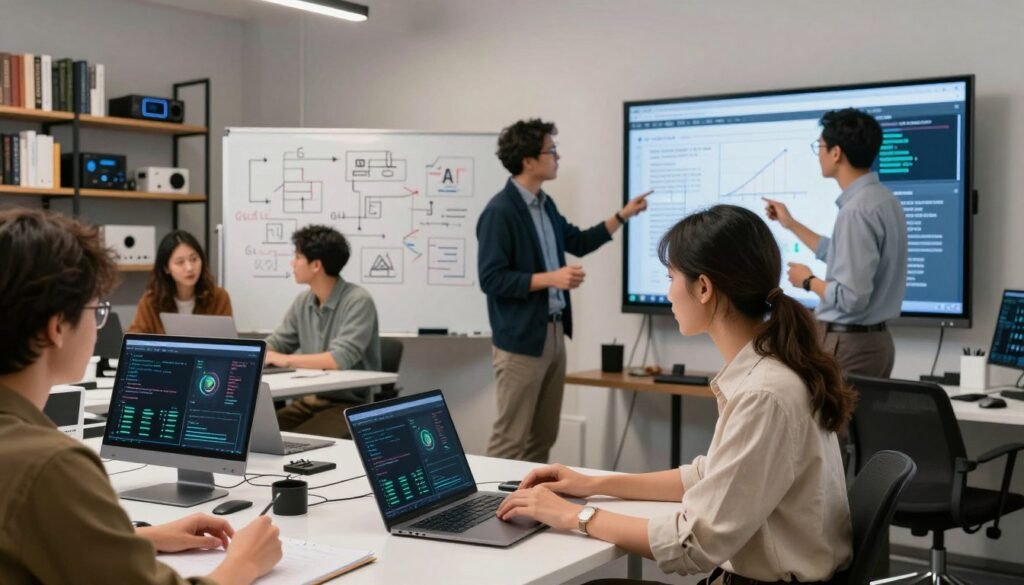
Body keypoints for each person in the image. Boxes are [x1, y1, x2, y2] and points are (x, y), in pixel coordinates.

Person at [496, 205, 855, 585]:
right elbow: (708, 475)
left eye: (671, 278)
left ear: (703, 288)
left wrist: (574, 516)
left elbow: (692, 543)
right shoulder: (771, 372)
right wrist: (592, 484)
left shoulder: (764, 394)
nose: (668, 293)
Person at [0, 208, 282, 585]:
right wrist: (244, 563)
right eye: (96, 310)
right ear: (56, 328)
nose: (99, 325)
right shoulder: (52, 467)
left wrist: (138, 538)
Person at [478, 118, 651, 463]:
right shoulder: (500, 212)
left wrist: (623, 215)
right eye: (551, 150)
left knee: (542, 438)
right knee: (510, 440)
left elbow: (580, 241)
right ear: (528, 160)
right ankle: (486, 510)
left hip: (554, 333)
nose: (557, 157)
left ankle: (528, 509)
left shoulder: (545, 204)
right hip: (520, 342)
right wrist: (551, 279)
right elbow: (492, 279)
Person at [764, 108, 908, 378]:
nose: (818, 154)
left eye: (819, 146)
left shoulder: (856, 211)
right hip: (873, 343)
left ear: (836, 153)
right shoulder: (884, 200)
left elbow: (851, 298)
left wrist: (807, 281)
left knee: (831, 422)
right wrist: (791, 223)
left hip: (848, 346)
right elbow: (841, 255)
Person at [266, 224, 381, 438]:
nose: (292, 263)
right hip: (309, 402)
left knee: (294, 442)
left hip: (348, 406)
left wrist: (283, 359)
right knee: (256, 434)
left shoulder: (358, 301)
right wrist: (253, 354)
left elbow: (337, 360)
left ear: (316, 265)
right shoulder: (304, 301)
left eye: (298, 257)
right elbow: (278, 341)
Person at [127, 229, 233, 334]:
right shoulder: (151, 301)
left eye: (194, 259)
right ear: (166, 268)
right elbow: (135, 339)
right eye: (180, 262)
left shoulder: (219, 298)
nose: (189, 268)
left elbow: (228, 342)